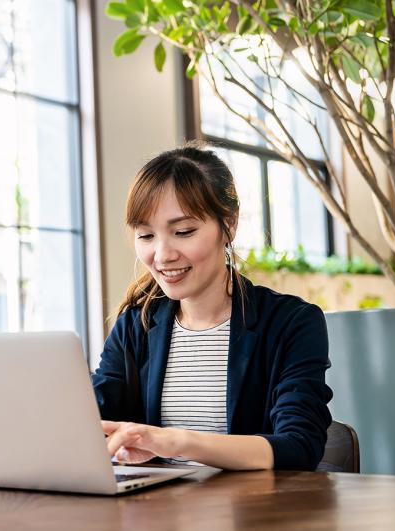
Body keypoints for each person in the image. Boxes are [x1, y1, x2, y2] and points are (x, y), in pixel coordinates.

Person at [92, 143, 333, 471]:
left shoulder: (291, 323)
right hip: (159, 516)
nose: (162, 255)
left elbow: (299, 445)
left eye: (183, 232)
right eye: (146, 236)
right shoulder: (137, 325)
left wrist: (175, 441)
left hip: (254, 516)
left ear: (229, 225)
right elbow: (92, 414)